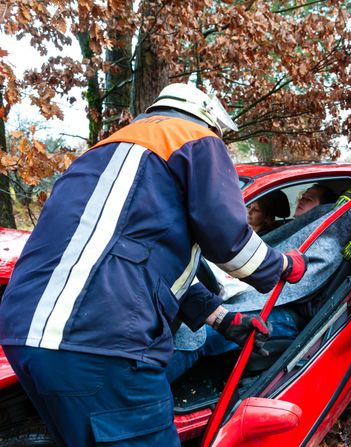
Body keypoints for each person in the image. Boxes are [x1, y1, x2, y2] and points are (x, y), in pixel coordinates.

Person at [0, 83, 307, 446]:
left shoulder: (106, 151)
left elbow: (133, 262)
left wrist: (223, 319)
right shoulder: (196, 139)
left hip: (23, 337)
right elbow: (233, 246)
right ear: (208, 119)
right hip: (102, 344)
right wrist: (284, 265)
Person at [168, 184, 351, 383]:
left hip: (286, 311)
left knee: (195, 335)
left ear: (324, 210)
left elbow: (300, 282)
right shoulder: (286, 229)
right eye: (302, 195)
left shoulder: (325, 243)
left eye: (310, 198)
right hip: (252, 296)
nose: (302, 199)